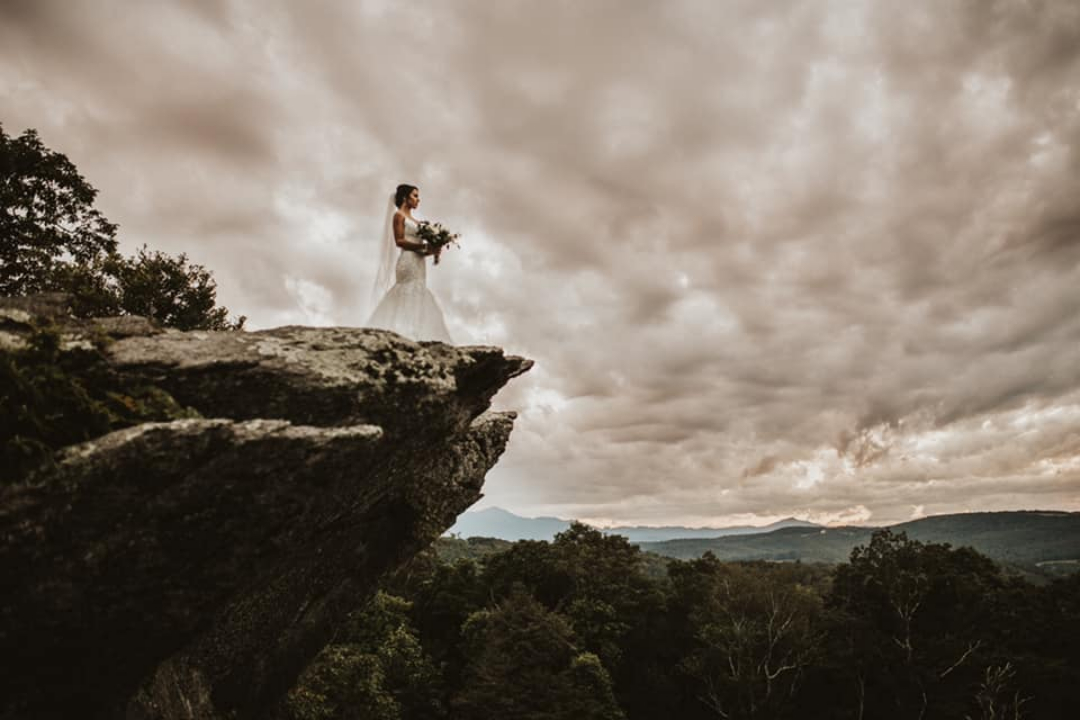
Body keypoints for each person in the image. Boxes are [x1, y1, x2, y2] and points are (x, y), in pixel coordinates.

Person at [367, 184, 453, 343]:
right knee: (407, 290)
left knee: (418, 291)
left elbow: (421, 249)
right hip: (407, 262)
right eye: (415, 196)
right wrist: (425, 246)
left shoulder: (418, 221)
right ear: (405, 198)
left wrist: (432, 251)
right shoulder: (398, 216)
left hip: (419, 262)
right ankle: (404, 333)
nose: (418, 199)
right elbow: (399, 241)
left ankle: (416, 333)